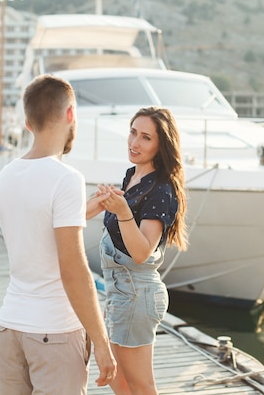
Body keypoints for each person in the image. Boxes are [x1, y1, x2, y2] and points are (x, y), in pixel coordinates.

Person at [0, 74, 116, 395]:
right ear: (71, 114)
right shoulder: (66, 178)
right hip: (55, 331)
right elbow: (73, 269)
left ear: (28, 123)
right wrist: (101, 342)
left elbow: (37, 227)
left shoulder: (5, 175)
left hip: (10, 326)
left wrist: (86, 209)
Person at [87, 106, 188, 395]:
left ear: (160, 145)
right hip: (120, 291)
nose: (135, 143)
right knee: (116, 376)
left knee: (141, 386)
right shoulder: (132, 176)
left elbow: (142, 252)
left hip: (136, 294)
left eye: (145, 137)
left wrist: (122, 212)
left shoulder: (161, 189)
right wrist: (101, 202)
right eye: (133, 132)